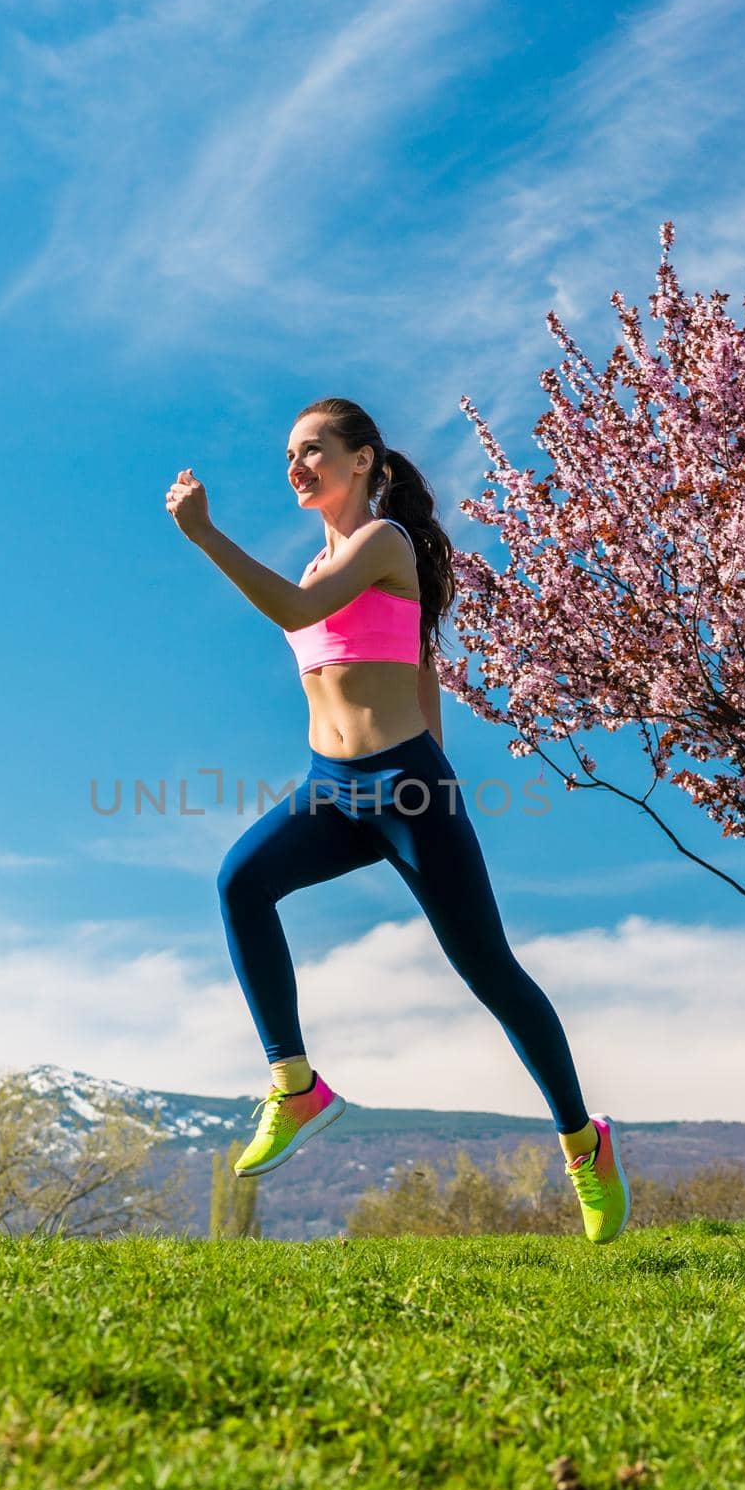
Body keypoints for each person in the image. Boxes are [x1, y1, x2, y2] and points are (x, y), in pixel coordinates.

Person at [164, 397, 629, 1242]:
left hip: (408, 788)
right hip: (329, 789)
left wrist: (204, 534)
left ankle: (580, 1141)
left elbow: (303, 621)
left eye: (314, 451)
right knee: (240, 881)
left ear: (364, 460)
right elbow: (416, 665)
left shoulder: (386, 542)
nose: (297, 466)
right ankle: (296, 1086)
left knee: (490, 971)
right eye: (289, 457)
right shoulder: (313, 565)